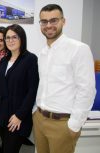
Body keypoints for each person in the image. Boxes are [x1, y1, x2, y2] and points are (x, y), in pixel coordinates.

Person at [34, 4, 96, 153]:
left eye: (53, 20)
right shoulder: (43, 53)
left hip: (62, 123)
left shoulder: (79, 49)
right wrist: (35, 112)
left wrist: (75, 124)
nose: (48, 25)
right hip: (39, 119)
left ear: (63, 21)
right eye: (44, 21)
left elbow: (86, 90)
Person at [0, 24, 39, 153]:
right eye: (8, 37)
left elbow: (32, 90)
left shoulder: (30, 59)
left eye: (14, 37)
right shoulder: (4, 60)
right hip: (2, 114)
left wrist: (19, 115)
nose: (10, 41)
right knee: (5, 147)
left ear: (22, 39)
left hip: (17, 117)